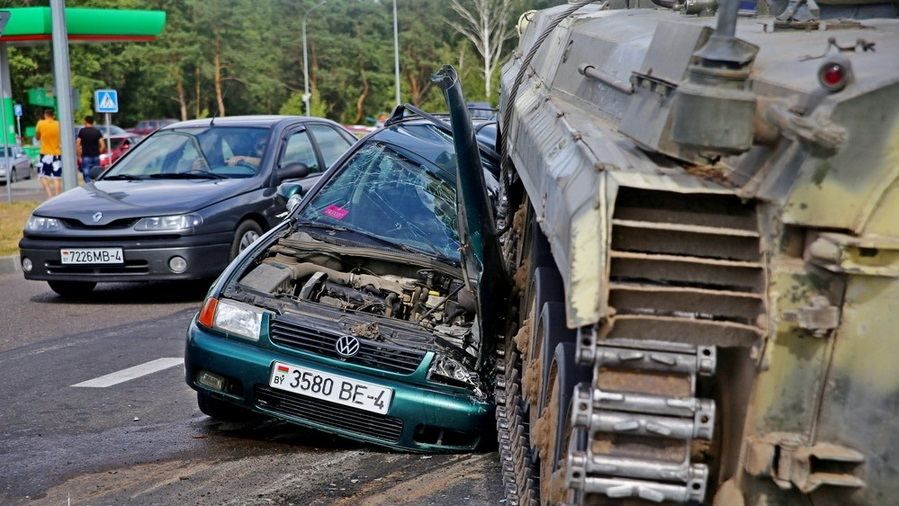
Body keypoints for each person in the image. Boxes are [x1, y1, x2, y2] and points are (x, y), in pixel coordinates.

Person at [35, 108, 62, 197]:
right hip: (57, 154)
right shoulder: (58, 124)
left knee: (42, 175)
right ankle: (57, 196)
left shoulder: (40, 123)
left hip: (45, 154)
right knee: (56, 177)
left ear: (45, 115)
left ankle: (50, 195)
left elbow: (37, 137)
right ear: (53, 116)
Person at [76, 115, 105, 183]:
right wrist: (98, 152)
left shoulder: (82, 131)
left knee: (86, 175)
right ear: (92, 122)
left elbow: (77, 144)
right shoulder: (97, 131)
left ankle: (89, 188)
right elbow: (103, 145)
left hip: (86, 156)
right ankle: (95, 187)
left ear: (85, 122)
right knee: (96, 174)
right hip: (96, 156)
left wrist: (79, 156)